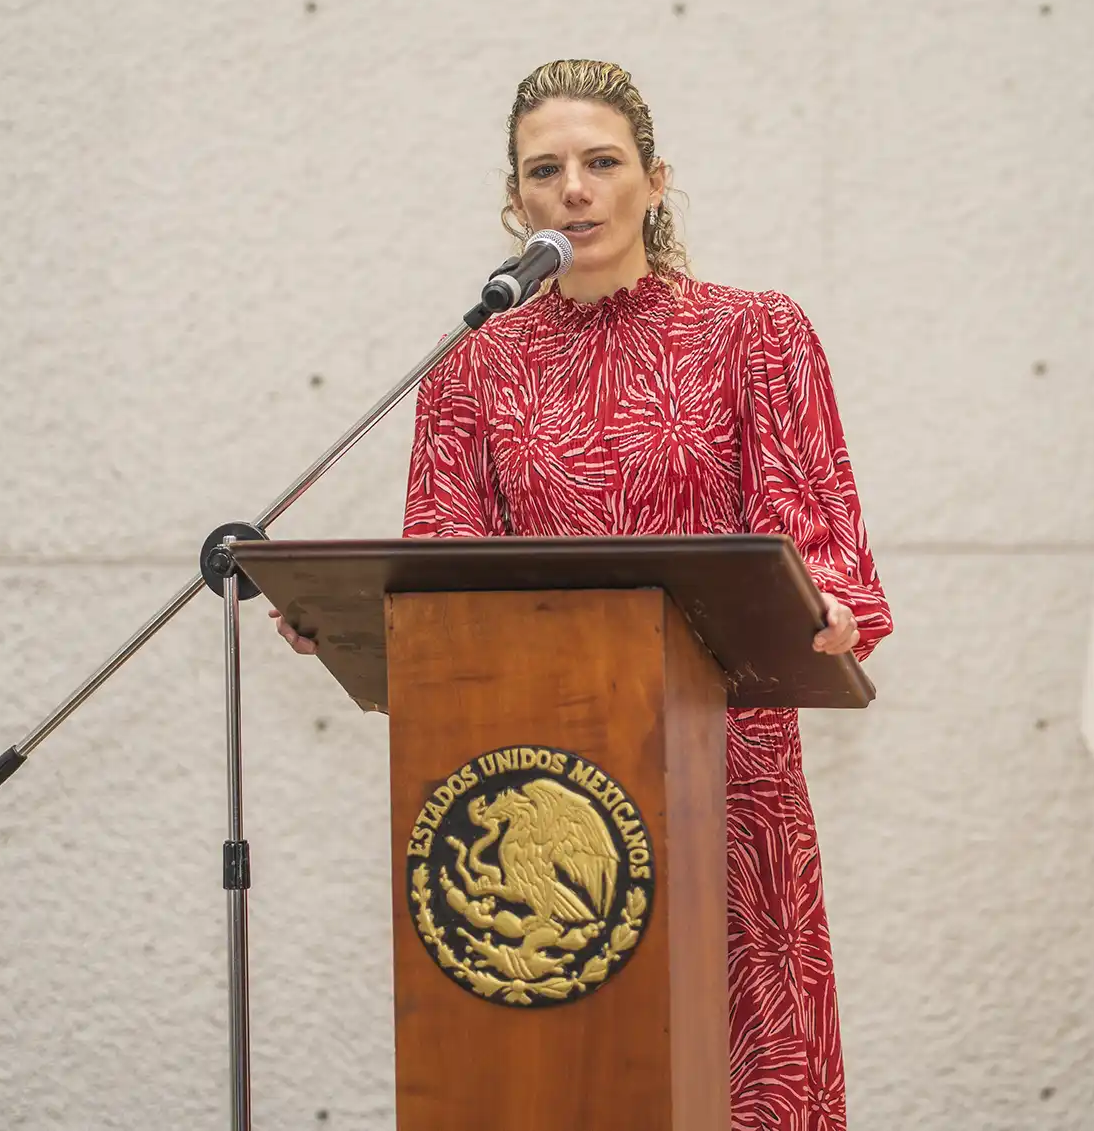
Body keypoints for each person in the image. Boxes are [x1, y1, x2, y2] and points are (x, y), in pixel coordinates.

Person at [272, 58, 891, 1129]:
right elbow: (443, 574)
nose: (575, 187)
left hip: (722, 781)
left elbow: (819, 534)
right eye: (544, 168)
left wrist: (828, 602)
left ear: (655, 181)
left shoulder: (754, 331)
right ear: (515, 202)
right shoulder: (472, 365)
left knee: (736, 1072)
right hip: (542, 786)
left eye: (601, 162)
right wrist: (344, 611)